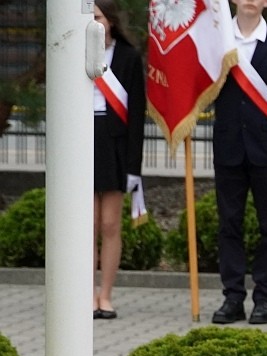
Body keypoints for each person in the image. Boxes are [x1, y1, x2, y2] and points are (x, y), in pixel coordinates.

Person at [211, 0, 267, 325]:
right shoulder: (218, 41)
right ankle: (232, 297)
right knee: (229, 225)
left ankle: (264, 298)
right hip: (229, 147)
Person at [91, 0, 145, 320]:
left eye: (97, 17)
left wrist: (134, 167)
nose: (94, 23)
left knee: (111, 224)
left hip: (115, 144)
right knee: (89, 225)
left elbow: (136, 115)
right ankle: (87, 294)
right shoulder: (74, 53)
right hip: (84, 140)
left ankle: (106, 295)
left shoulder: (128, 57)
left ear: (110, 20)